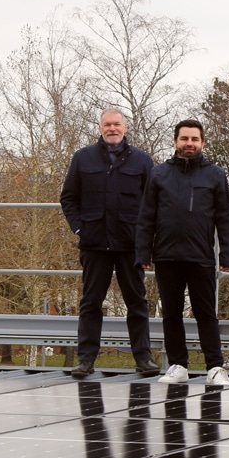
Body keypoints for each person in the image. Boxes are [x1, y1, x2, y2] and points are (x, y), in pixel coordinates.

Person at [135, 119, 229, 386]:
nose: (189, 143)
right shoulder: (159, 174)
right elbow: (146, 217)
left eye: (194, 139)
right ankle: (178, 365)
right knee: (171, 314)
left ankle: (215, 367)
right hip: (166, 256)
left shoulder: (215, 175)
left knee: (206, 313)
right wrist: (143, 254)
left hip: (201, 256)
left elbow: (225, 217)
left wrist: (227, 254)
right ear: (175, 141)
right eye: (184, 139)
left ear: (202, 143)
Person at [60, 108, 159, 379]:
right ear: (100, 128)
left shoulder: (142, 161)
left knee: (137, 302)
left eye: (116, 124)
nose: (112, 128)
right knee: (91, 302)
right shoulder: (83, 158)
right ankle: (86, 360)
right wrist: (80, 227)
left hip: (130, 245)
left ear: (125, 128)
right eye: (107, 124)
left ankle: (143, 358)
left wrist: (146, 241)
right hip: (94, 244)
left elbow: (153, 204)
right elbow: (68, 198)